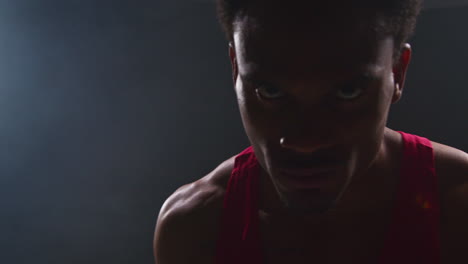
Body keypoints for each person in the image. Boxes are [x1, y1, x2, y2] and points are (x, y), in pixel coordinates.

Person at [153, 0, 468, 263]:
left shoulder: (459, 206)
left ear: (397, 72)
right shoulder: (194, 229)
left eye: (347, 92)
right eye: (269, 91)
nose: (305, 142)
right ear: (236, 68)